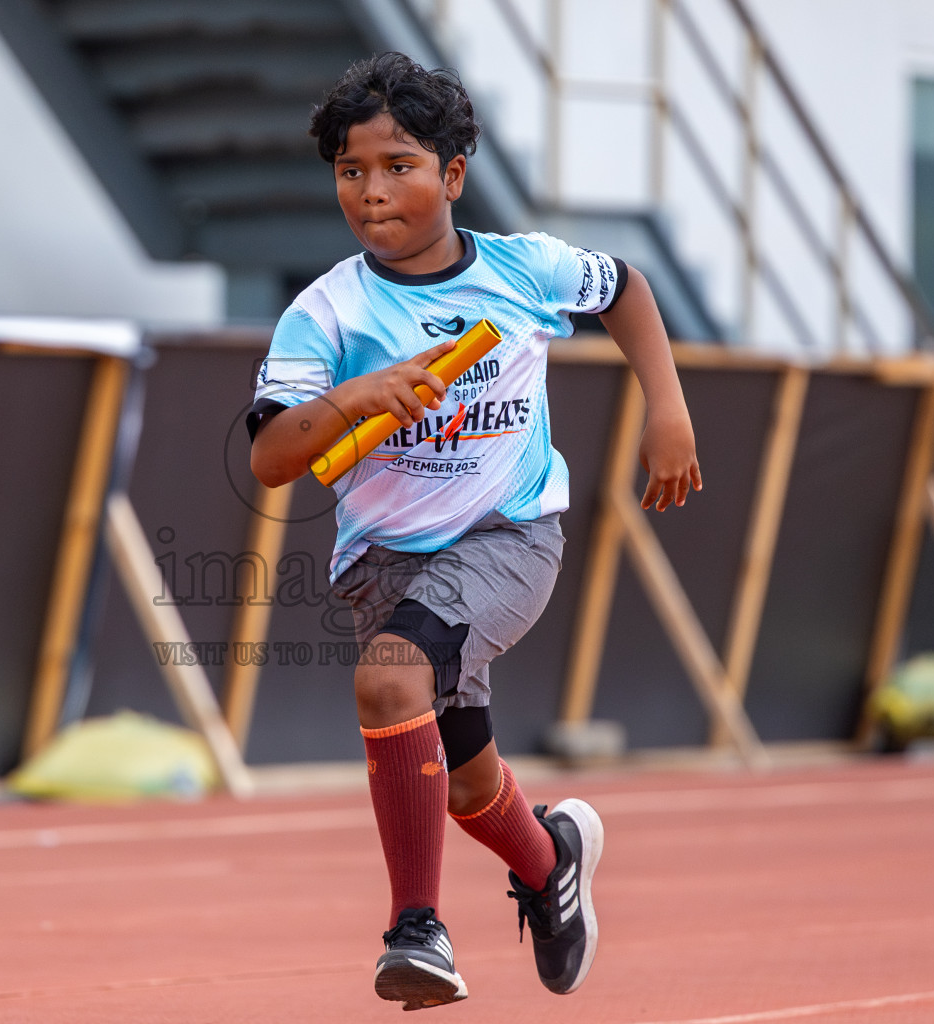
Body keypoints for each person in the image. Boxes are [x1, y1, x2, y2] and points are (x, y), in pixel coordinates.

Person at [246, 52, 701, 1011]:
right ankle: (551, 864)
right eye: (350, 171)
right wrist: (355, 396)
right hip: (383, 565)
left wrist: (668, 408)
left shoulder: (523, 268)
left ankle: (417, 929)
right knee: (463, 786)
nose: (372, 192)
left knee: (387, 677)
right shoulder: (325, 313)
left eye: (399, 166)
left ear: (453, 176)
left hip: (508, 538)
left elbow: (624, 287)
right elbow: (272, 457)